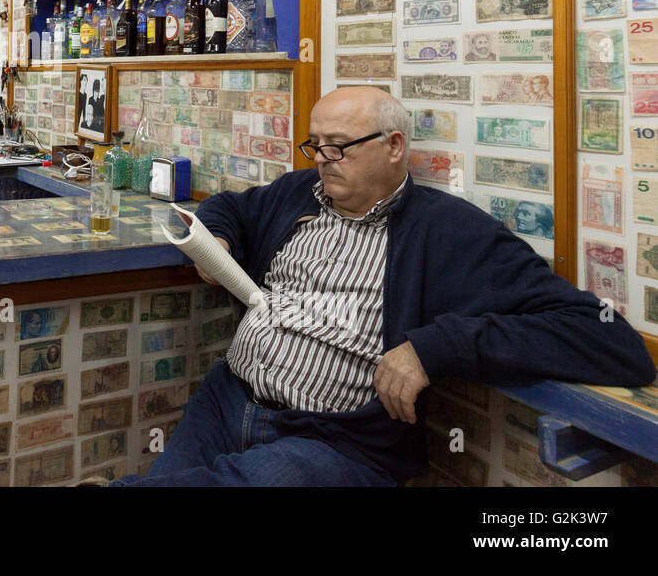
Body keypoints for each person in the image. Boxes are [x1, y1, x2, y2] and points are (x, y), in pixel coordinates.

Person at [103, 87, 655, 486]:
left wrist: (433, 348)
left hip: (334, 442)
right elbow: (230, 208)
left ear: (394, 145)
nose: (322, 161)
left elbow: (610, 343)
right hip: (228, 400)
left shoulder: (450, 232)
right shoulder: (300, 193)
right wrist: (219, 238)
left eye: (338, 147)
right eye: (315, 145)